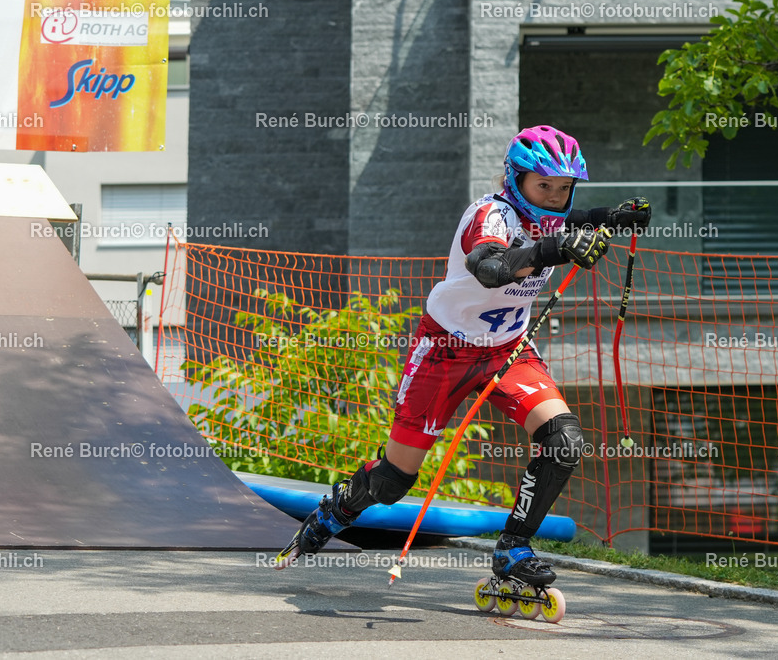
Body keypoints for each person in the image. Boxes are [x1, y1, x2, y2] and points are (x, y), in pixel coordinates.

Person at [275, 125, 650, 586]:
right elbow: (490, 267)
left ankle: (514, 549)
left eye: (564, 189)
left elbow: (572, 223)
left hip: (508, 350)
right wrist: (555, 249)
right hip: (445, 350)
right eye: (544, 186)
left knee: (564, 442)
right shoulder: (490, 214)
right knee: (394, 482)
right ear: (516, 180)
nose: (554, 197)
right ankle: (338, 507)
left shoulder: (553, 217)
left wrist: (617, 215)